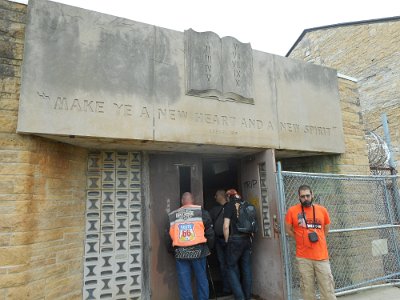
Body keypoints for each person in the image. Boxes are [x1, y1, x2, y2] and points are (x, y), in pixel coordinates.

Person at [285, 185, 337, 300]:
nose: (306, 198)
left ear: (312, 195)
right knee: (307, 290)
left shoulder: (322, 210)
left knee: (327, 289)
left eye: (308, 195)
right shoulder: (292, 211)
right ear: (299, 197)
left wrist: (320, 238)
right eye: (303, 196)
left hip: (322, 257)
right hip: (303, 258)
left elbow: (326, 227)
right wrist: (298, 238)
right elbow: (288, 229)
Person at [167, 192, 215, 300]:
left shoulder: (173, 215)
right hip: (198, 251)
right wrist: (209, 248)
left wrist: (171, 250)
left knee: (184, 283)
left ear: (182, 201)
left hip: (181, 252)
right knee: (201, 279)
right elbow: (210, 233)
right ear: (192, 200)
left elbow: (168, 236)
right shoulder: (201, 212)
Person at [223, 189, 253, 300]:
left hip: (235, 240)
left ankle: (240, 297)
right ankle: (248, 296)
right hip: (247, 239)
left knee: (230, 267)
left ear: (228, 197)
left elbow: (226, 226)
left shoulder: (229, 206)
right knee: (247, 268)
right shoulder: (246, 205)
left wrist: (227, 241)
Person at [209, 189, 232, 297]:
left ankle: (232, 288)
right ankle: (227, 288)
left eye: (216, 195)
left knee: (230, 264)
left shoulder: (231, 207)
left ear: (222, 196)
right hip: (219, 240)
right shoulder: (214, 210)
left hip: (229, 240)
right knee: (223, 265)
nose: (215, 197)